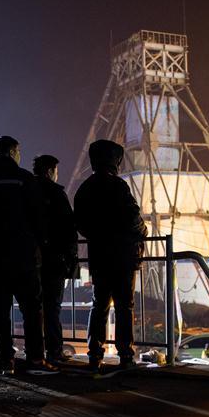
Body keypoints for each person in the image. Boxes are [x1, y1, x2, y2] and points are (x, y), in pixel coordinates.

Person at [0, 136, 52, 374]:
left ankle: (6, 359)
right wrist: (36, 242)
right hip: (23, 255)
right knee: (32, 309)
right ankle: (35, 359)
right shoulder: (24, 179)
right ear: (13, 152)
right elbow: (38, 217)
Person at [74, 139, 147, 371]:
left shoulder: (85, 189)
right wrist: (142, 232)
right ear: (114, 160)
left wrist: (99, 235)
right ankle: (125, 354)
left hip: (100, 257)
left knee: (100, 305)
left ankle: (95, 353)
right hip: (123, 256)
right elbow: (134, 217)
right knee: (125, 306)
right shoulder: (118, 186)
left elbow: (81, 224)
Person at [32, 154, 78, 365]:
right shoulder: (56, 193)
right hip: (54, 260)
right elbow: (69, 229)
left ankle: (35, 353)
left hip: (30, 259)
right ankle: (54, 351)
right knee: (52, 308)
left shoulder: (25, 190)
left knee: (32, 307)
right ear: (50, 171)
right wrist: (70, 260)